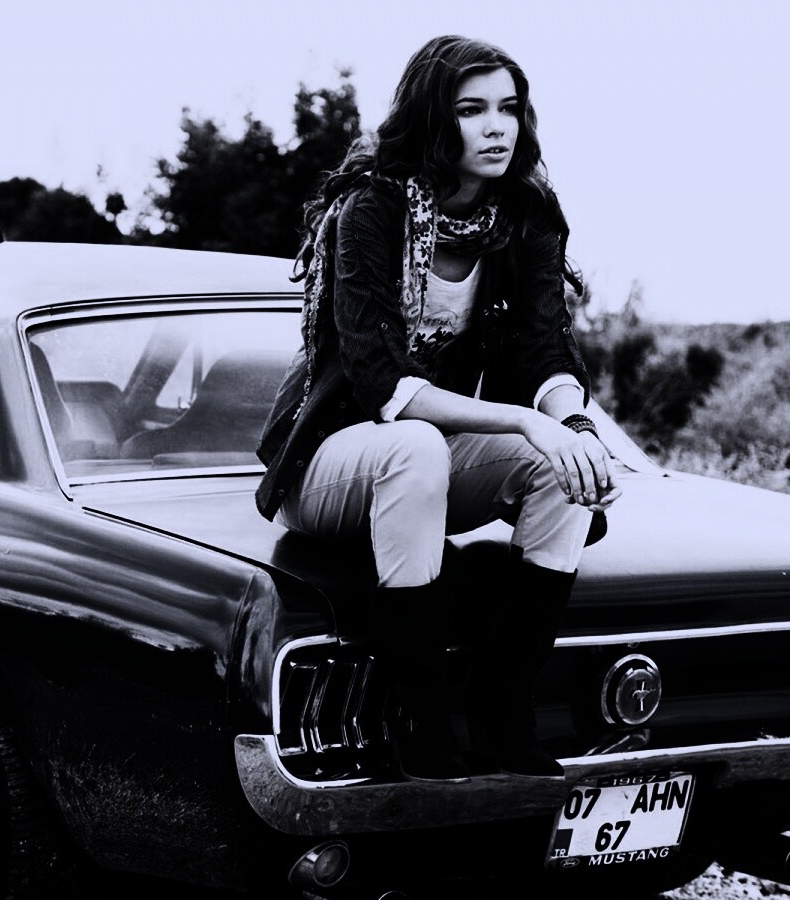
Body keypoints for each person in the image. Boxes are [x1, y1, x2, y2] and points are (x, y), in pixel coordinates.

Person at [255, 35, 621, 782]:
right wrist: (525, 420)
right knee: (419, 441)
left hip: (425, 472)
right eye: (471, 109)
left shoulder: (526, 213)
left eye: (509, 109)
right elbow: (382, 384)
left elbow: (544, 350)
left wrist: (575, 429)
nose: (497, 127)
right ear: (432, 117)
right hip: (329, 462)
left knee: (559, 470)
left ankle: (501, 708)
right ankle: (415, 714)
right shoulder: (371, 209)